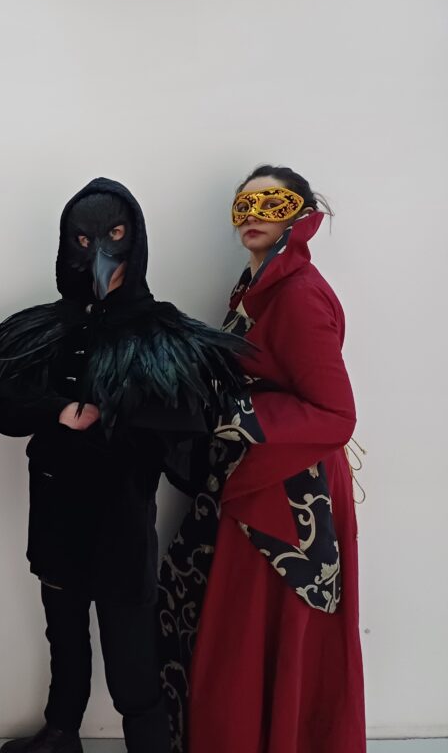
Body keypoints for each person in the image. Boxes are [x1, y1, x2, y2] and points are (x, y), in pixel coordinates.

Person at [0, 179, 245, 753]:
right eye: (83, 239)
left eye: (114, 235)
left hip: (121, 521)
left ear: (134, 239)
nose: (98, 253)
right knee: (64, 634)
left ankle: (149, 745)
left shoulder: (162, 332)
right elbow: (4, 410)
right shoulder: (44, 326)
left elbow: (190, 441)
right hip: (55, 513)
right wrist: (58, 409)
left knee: (131, 650)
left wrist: (124, 408)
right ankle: (61, 732)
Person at [158, 166, 365, 752]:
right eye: (243, 205)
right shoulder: (258, 285)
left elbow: (336, 414)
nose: (253, 215)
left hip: (290, 494)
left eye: (270, 203)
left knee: (256, 631)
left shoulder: (298, 295)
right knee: (238, 630)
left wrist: (227, 414)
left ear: (298, 214)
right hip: (261, 477)